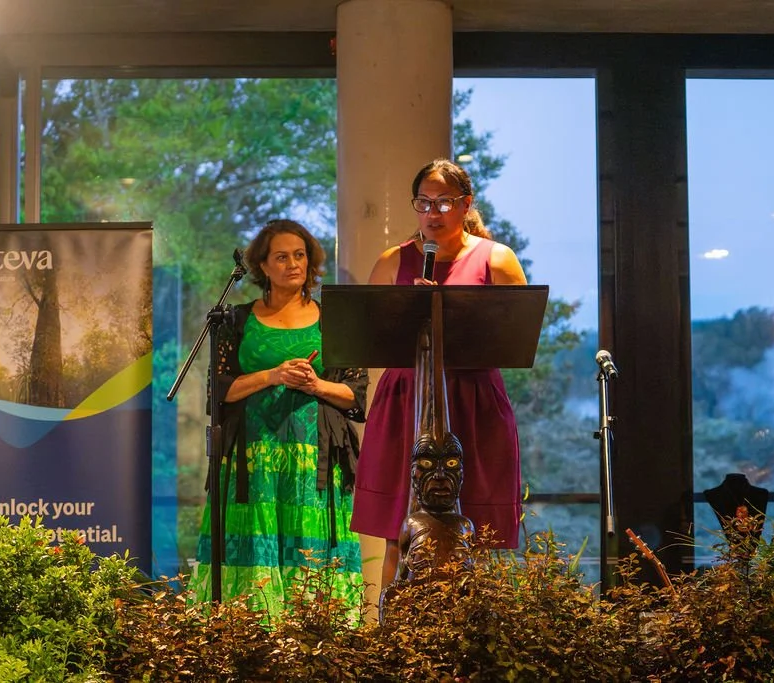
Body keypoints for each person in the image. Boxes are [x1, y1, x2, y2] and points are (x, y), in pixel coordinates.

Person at [350, 157, 528, 589]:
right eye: (423, 202)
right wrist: (408, 313)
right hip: (406, 400)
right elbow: (370, 336)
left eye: (444, 202)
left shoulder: (497, 259)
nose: (432, 213)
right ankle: (390, 638)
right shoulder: (393, 261)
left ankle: (480, 636)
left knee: (479, 532)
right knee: (399, 532)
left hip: (472, 399)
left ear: (466, 204)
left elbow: (518, 333)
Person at [189, 219, 368, 619]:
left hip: (313, 461)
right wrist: (272, 375)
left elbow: (356, 398)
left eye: (300, 255)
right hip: (253, 459)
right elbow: (218, 391)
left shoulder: (332, 318)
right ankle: (247, 636)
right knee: (255, 541)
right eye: (282, 257)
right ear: (262, 266)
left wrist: (315, 385)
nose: (293, 264)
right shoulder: (234, 319)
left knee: (314, 551)